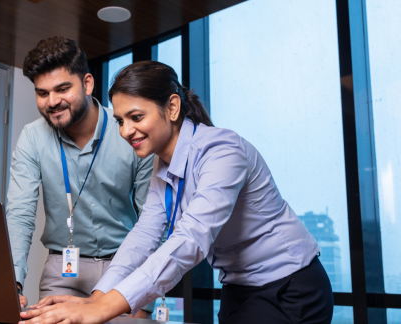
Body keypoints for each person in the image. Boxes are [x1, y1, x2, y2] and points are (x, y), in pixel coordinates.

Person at [18, 61, 334, 324]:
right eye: (120, 121)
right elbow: (145, 233)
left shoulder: (222, 151)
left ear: (172, 107)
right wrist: (96, 298)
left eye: (136, 117)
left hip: (290, 285)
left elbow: (190, 240)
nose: (126, 131)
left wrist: (102, 308)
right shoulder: (163, 165)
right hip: (239, 288)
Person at [5, 37, 155, 318]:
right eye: (42, 93)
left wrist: (145, 286)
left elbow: (152, 217)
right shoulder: (32, 138)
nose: (52, 102)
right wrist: (12, 281)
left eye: (62, 89)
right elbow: (20, 214)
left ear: (87, 84)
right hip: (63, 269)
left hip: (124, 265)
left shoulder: (130, 132)